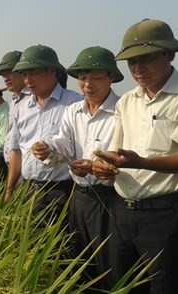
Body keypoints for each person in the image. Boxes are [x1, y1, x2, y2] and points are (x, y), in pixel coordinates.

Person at [92, 19, 178, 293]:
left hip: (165, 215)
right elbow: (118, 152)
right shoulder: (127, 101)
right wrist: (105, 166)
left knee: (168, 287)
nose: (138, 68)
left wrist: (140, 162)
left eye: (145, 59)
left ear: (169, 55)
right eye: (131, 62)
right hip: (122, 212)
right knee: (124, 287)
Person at [31, 46, 123, 290]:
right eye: (82, 78)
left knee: (110, 261)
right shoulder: (74, 111)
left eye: (96, 77)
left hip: (112, 199)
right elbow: (65, 142)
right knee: (80, 257)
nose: (87, 85)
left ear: (111, 77)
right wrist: (48, 148)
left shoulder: (123, 111)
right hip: (79, 196)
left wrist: (97, 167)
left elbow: (126, 154)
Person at [6, 44, 83, 227]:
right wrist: (10, 190)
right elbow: (17, 151)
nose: (28, 80)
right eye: (24, 75)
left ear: (52, 72)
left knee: (61, 248)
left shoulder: (75, 103)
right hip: (28, 189)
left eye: (33, 73)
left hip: (62, 192)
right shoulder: (22, 108)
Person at [0, 50, 30, 164]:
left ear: (23, 72)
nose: (5, 78)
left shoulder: (34, 99)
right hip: (12, 164)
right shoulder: (14, 101)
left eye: (10, 72)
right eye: (3, 75)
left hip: (26, 166)